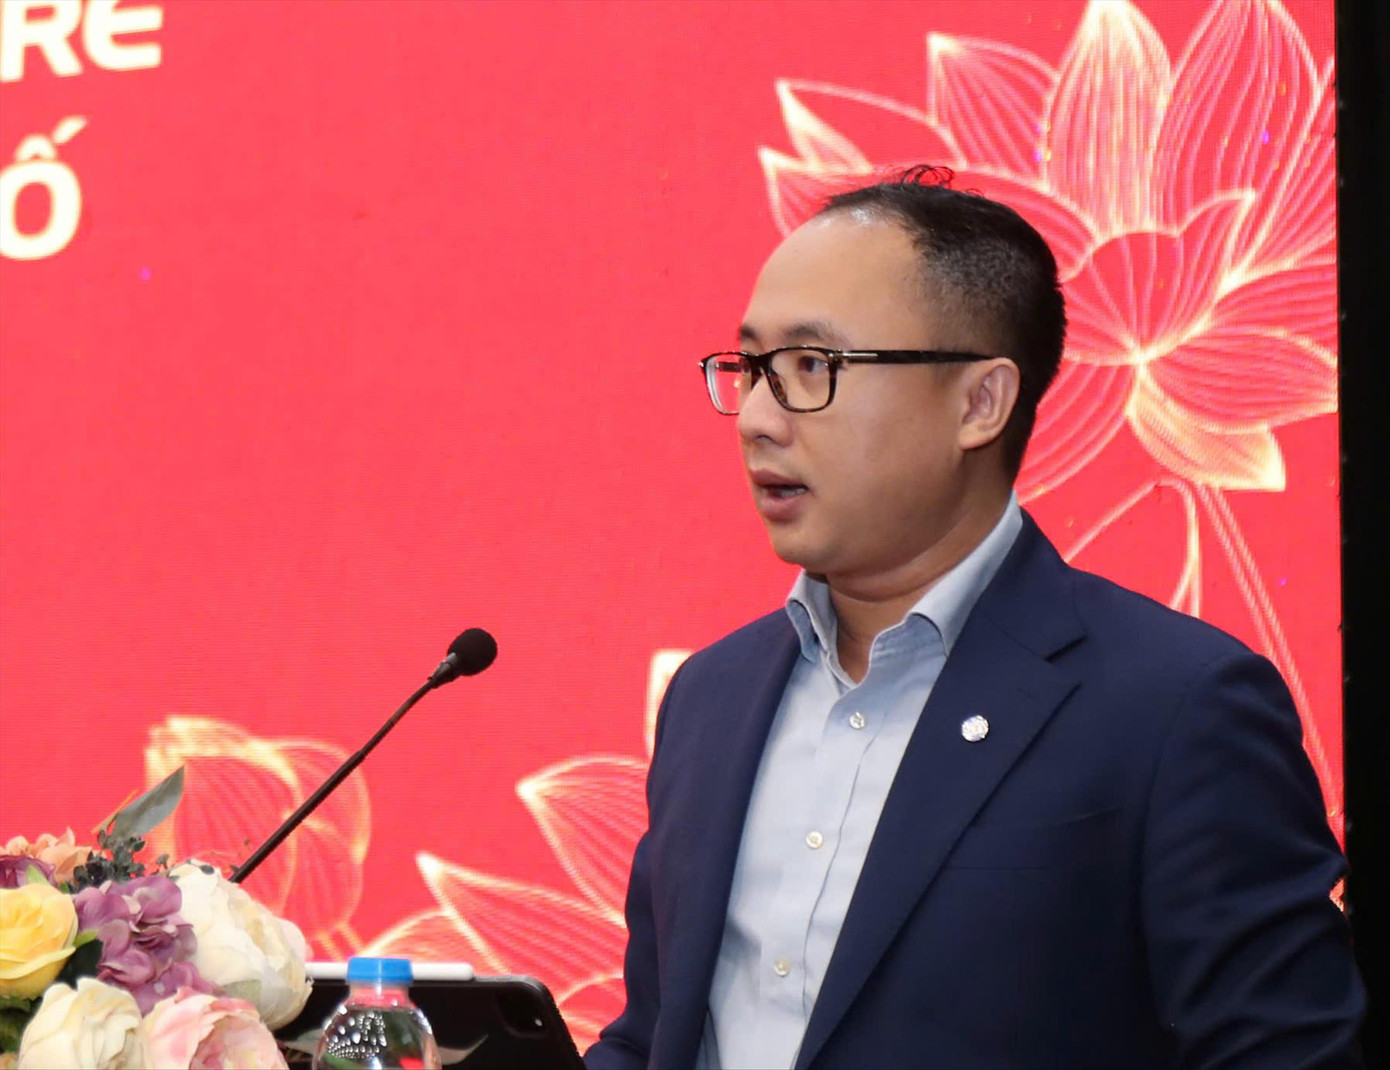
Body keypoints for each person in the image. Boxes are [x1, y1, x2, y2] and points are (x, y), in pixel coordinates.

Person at [584, 167, 1363, 1069]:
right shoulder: (710, 698)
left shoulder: (1176, 710)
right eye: (753, 368)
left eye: (811, 368)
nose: (757, 417)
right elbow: (655, 1037)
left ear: (979, 403)